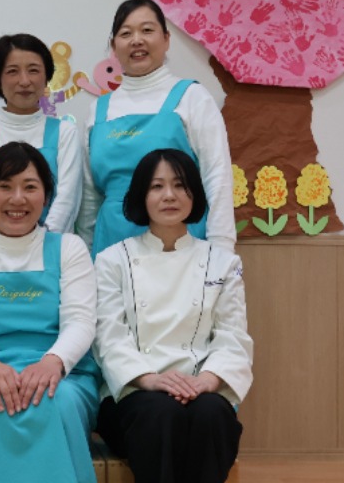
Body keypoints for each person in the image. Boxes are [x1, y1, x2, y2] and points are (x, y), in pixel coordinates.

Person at [0, 142, 100, 483]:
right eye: (5, 186)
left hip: (61, 373)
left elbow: (81, 321)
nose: (17, 199)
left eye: (30, 187)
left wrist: (53, 362)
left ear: (46, 196)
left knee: (56, 399)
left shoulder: (69, 248)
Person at [93, 149, 253, 483]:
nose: (169, 195)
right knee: (161, 413)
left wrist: (206, 382)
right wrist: (150, 379)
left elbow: (233, 337)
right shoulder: (112, 261)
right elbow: (109, 338)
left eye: (180, 185)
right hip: (134, 392)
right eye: (157, 186)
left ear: (194, 194)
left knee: (213, 413)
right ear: (142, 195)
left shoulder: (222, 263)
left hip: (199, 387)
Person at [76, 0, 236, 258]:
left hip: (180, 243)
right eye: (126, 33)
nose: (137, 40)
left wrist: (222, 252)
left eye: (147, 30)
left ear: (166, 39)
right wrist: (84, 254)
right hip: (112, 246)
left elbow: (217, 178)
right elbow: (89, 196)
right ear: (114, 46)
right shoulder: (98, 111)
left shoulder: (192, 98)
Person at [0, 33, 82, 234]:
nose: (24, 81)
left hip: (50, 245)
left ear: (47, 77)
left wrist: (43, 245)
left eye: (33, 70)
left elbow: (67, 201)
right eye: (12, 71)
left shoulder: (65, 132)